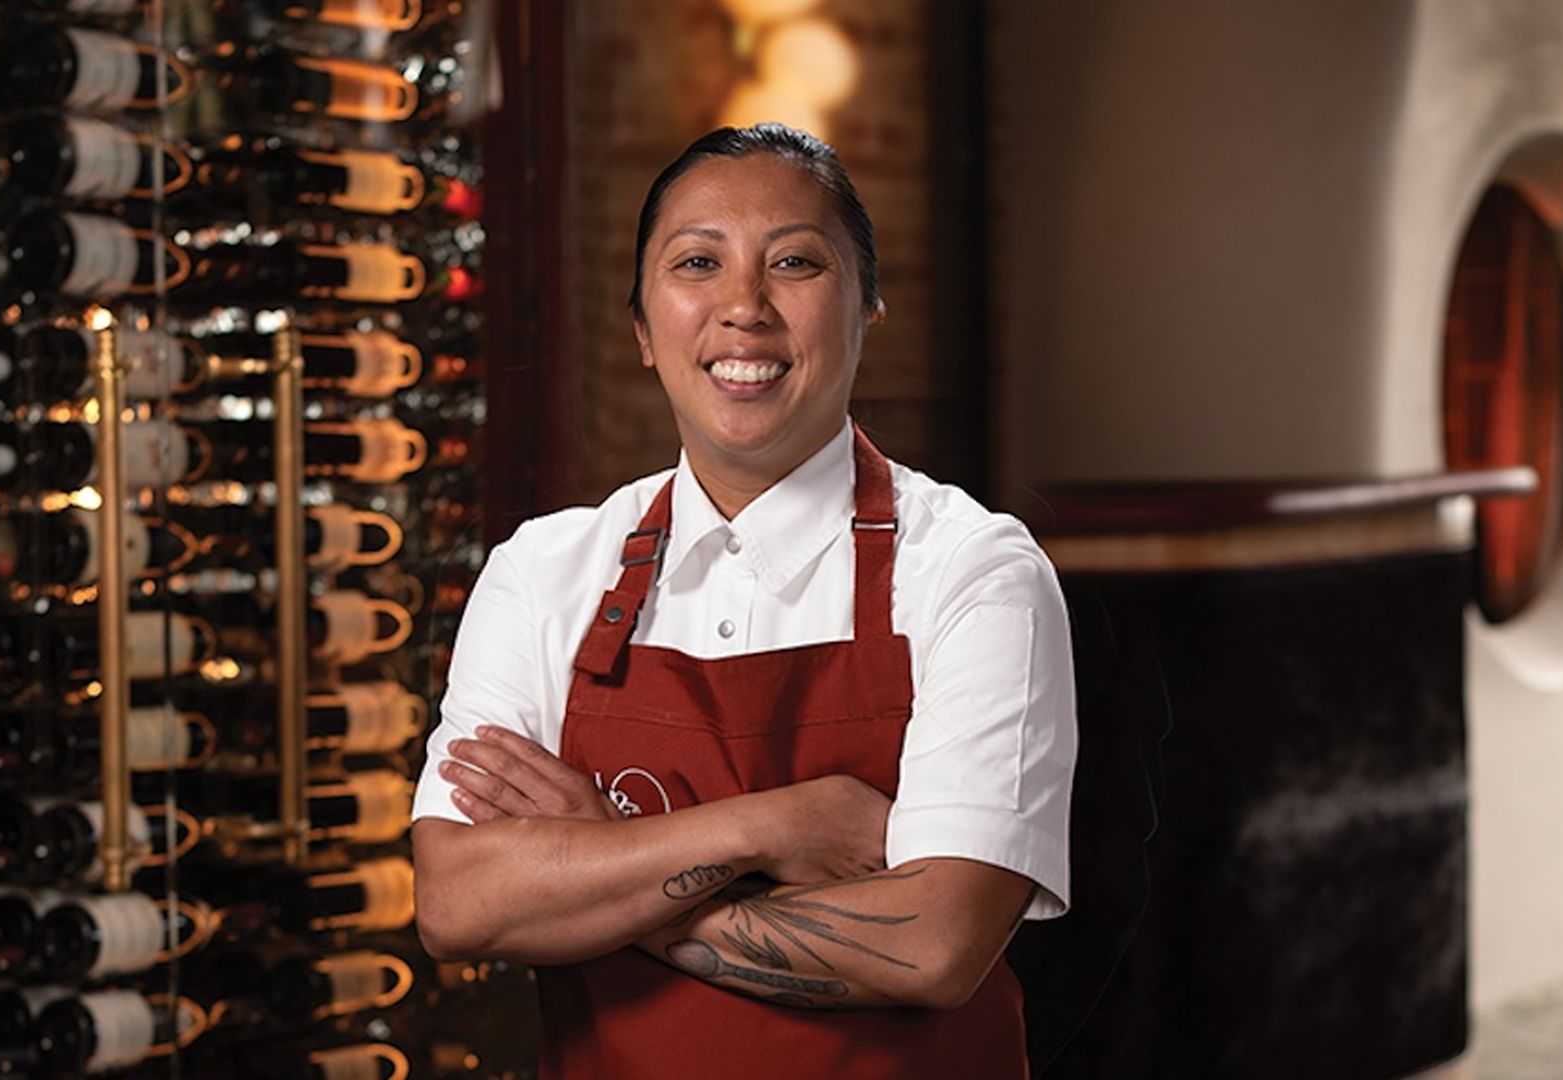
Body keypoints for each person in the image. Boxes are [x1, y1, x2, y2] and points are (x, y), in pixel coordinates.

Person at [410, 123, 1078, 1080]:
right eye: (696, 262)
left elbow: (934, 945)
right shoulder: (543, 571)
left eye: (796, 262)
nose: (743, 308)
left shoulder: (976, 572)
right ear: (643, 328)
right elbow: (462, 904)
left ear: (868, 308)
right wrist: (773, 827)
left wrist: (603, 863)